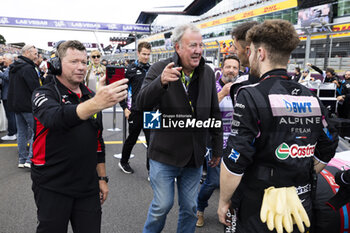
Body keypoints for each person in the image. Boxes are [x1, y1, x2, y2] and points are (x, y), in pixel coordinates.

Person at [218, 19, 339, 233]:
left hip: (258, 204)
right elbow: (329, 142)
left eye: (252, 51)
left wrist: (224, 201)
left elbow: (236, 157)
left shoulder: (251, 95)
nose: (250, 55)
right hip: (299, 202)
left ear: (261, 53)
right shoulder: (310, 97)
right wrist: (302, 171)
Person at [31, 40, 128, 233]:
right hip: (52, 184)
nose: (81, 67)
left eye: (84, 62)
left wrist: (102, 178)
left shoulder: (90, 95)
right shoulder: (44, 93)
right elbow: (55, 118)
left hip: (87, 185)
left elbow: (98, 141)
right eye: (74, 61)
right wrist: (96, 103)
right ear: (57, 64)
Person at [137, 24, 223, 233]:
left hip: (194, 156)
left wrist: (217, 148)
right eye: (192, 45)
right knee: (162, 205)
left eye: (201, 45)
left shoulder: (208, 73)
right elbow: (140, 103)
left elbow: (214, 112)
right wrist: (161, 83)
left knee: (190, 208)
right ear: (177, 47)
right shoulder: (160, 69)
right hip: (164, 155)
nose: (198, 50)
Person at [196, 55, 239, 227]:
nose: (231, 70)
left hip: (235, 143)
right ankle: (199, 210)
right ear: (221, 69)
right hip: (214, 142)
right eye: (228, 67)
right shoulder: (212, 87)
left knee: (235, 181)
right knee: (213, 181)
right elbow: (202, 113)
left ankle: (228, 212)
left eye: (235, 68)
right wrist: (222, 93)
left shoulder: (242, 89)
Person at [118, 41, 151, 174]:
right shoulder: (130, 70)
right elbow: (121, 90)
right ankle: (123, 162)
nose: (146, 57)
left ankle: (151, 170)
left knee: (152, 142)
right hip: (135, 111)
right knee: (132, 138)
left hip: (151, 111)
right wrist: (125, 107)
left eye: (148, 54)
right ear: (138, 53)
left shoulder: (152, 69)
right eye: (144, 54)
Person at [7, 44, 41, 168]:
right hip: (27, 105)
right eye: (35, 53)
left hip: (16, 105)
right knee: (35, 131)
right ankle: (30, 159)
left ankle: (22, 159)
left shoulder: (14, 66)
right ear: (27, 53)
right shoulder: (28, 68)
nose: (36, 55)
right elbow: (35, 88)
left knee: (21, 133)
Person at [0, 53, 17, 140]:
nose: (3, 60)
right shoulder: (11, 67)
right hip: (8, 94)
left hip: (7, 95)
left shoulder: (11, 67)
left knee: (10, 115)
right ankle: (13, 132)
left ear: (9, 60)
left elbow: (7, 77)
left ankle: (12, 133)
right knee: (11, 115)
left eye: (4, 58)